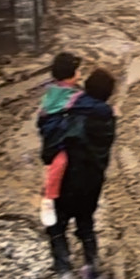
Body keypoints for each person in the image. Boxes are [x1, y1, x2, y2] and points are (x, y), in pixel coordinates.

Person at [39, 67, 118, 279]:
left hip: (68, 175)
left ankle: (65, 272)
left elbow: (51, 132)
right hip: (93, 178)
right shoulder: (108, 117)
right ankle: (93, 272)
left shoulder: (73, 109)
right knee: (86, 223)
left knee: (56, 224)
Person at [36, 52, 83, 228]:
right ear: (70, 74)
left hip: (61, 136)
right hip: (59, 138)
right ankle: (48, 198)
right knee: (60, 163)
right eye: (78, 70)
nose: (80, 73)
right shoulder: (67, 95)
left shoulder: (55, 91)